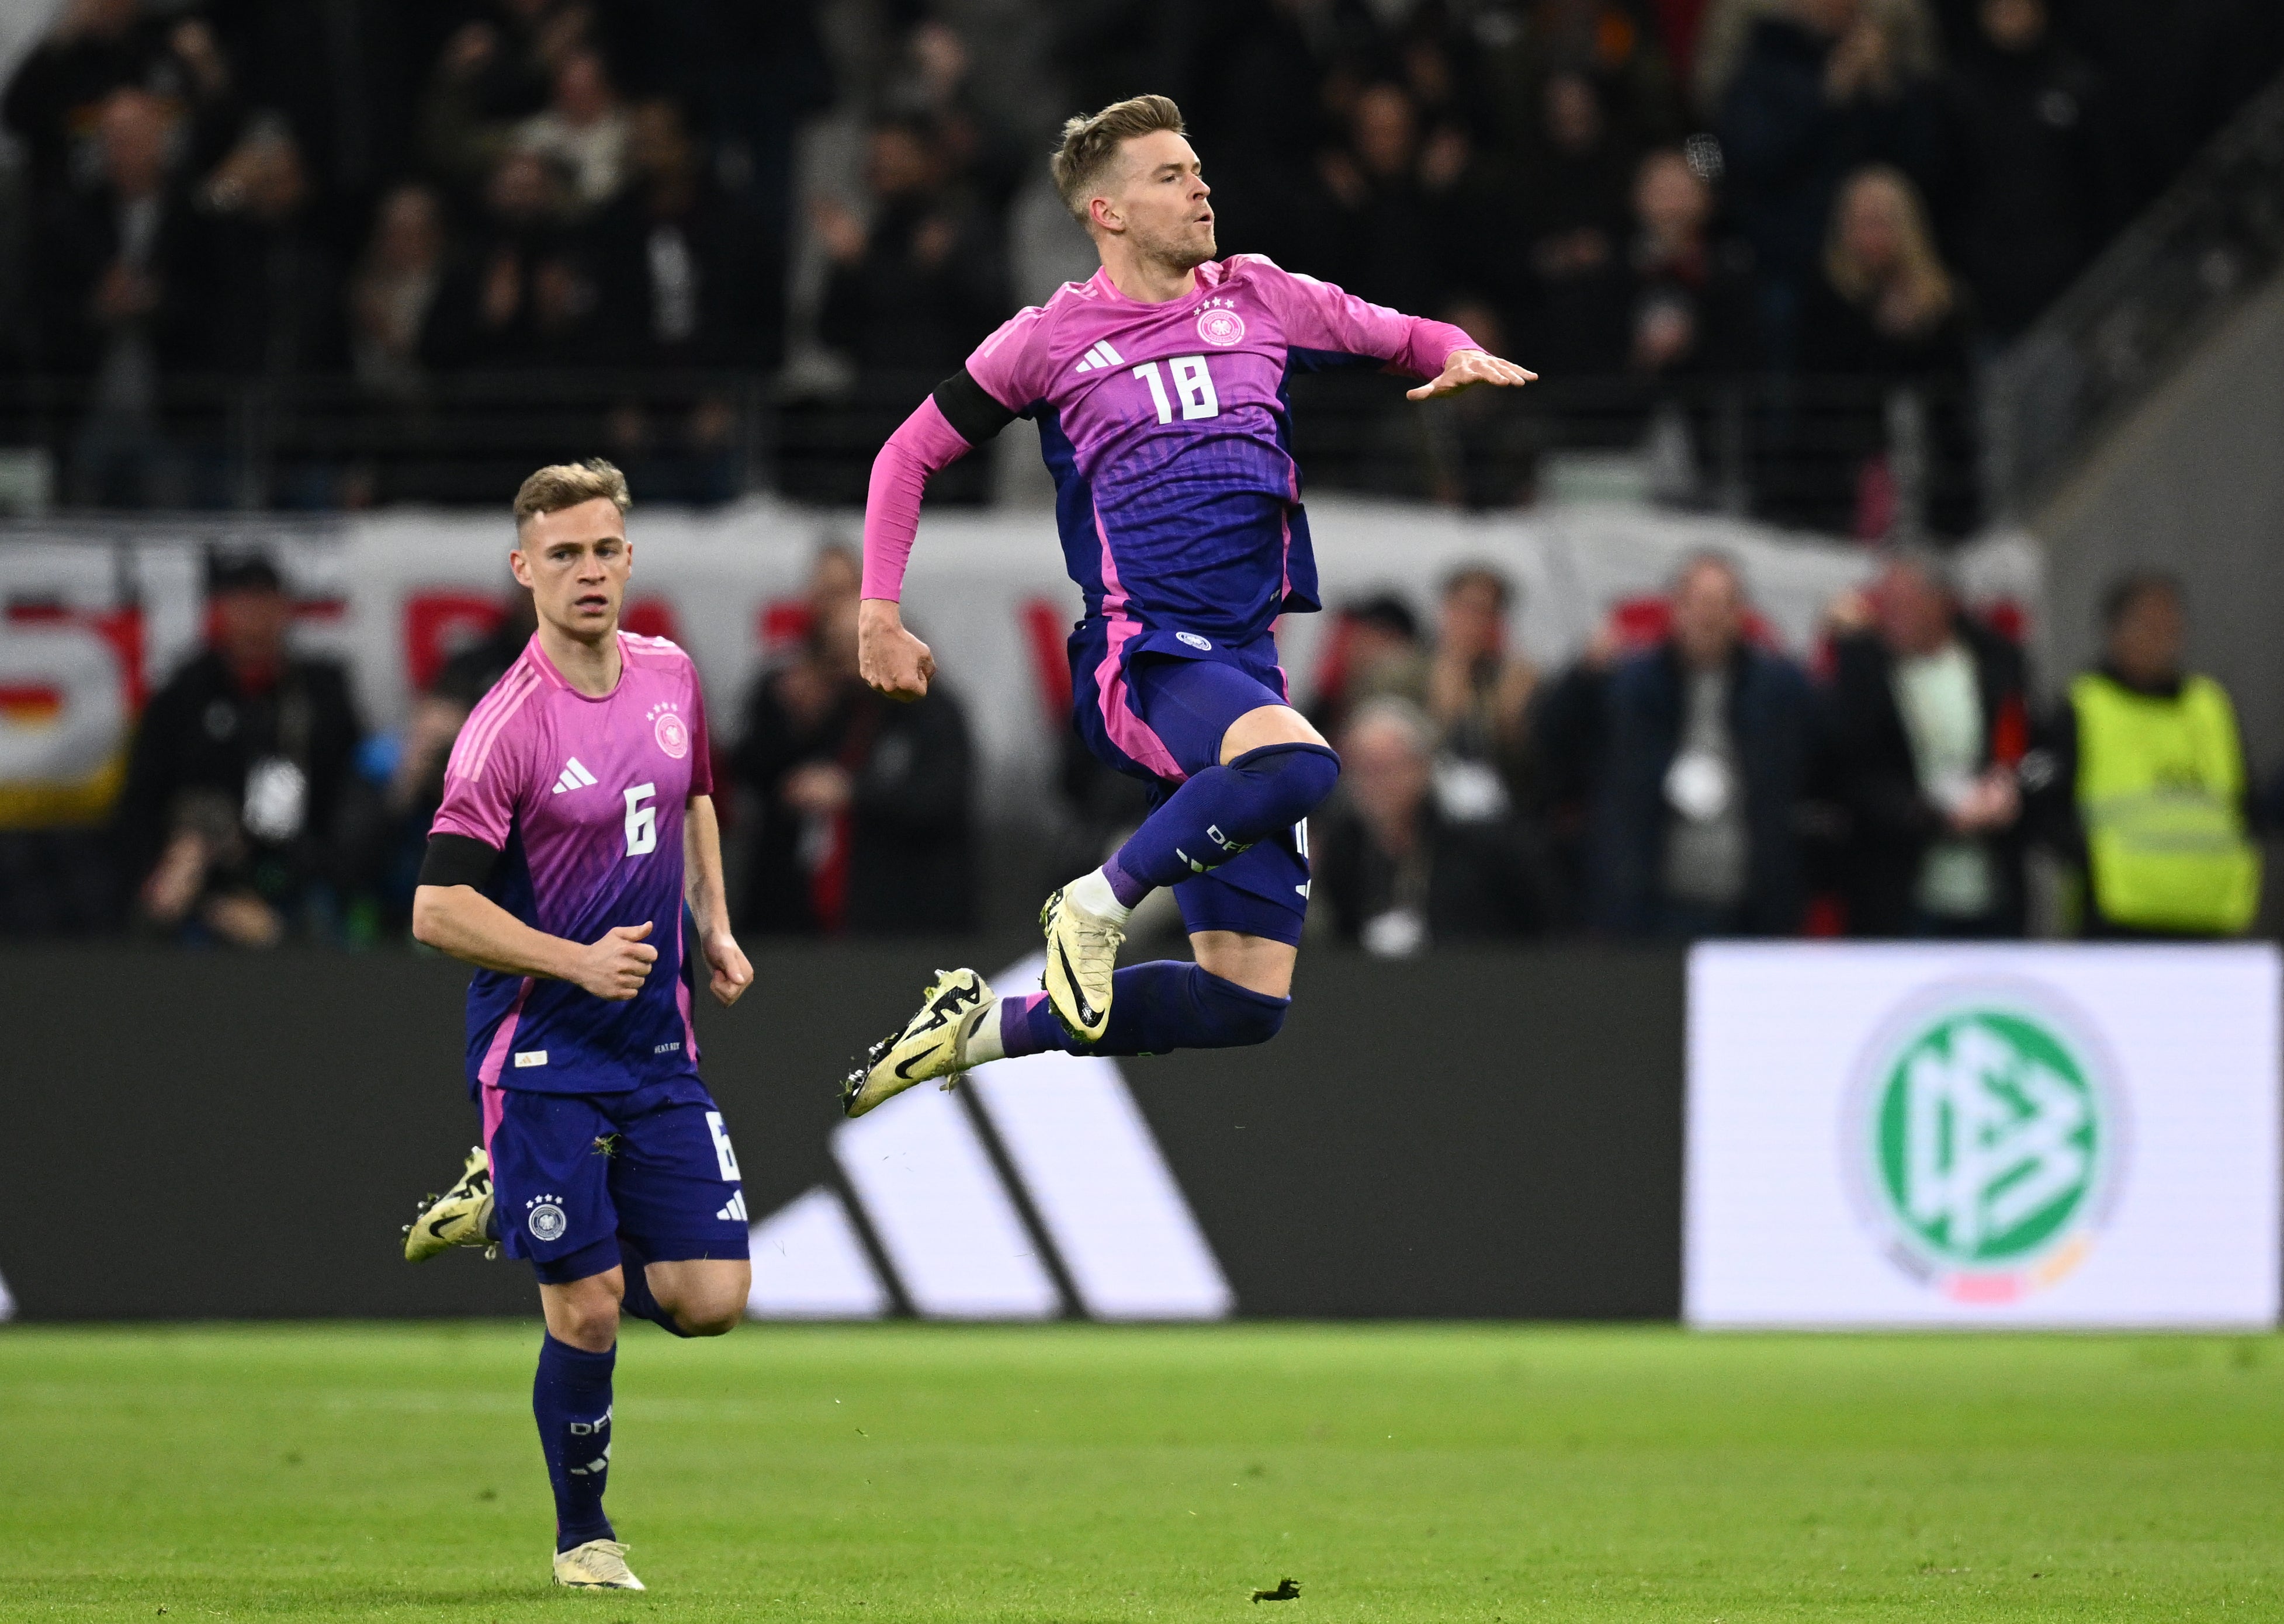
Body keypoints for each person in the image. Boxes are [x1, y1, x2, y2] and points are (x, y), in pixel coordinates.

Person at [839, 93, 1536, 1116]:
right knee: (1298, 763)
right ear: (1106, 213)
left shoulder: (1255, 293)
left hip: (1242, 662)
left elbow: (1392, 333)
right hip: (1144, 650)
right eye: (1170, 175)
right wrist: (875, 609)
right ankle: (1092, 901)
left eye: (1197, 169)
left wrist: (1453, 352)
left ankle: (981, 1028)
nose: (1199, 186)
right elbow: (908, 453)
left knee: (1241, 999)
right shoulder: (1046, 340)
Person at [401, 460, 754, 1592]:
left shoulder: (670, 673)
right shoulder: (504, 727)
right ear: (523, 570)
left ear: (629, 557)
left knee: (710, 1301)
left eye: (603, 550)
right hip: (539, 1047)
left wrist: (715, 921)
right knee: (591, 1308)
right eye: (563, 555)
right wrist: (574, 960)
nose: (588, 571)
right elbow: (436, 909)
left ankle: (514, 1199)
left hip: (654, 1042)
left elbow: (695, 793)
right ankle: (583, 1536)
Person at [116, 551, 364, 946]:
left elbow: (347, 794)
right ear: (221, 610)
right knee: (171, 897)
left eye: (265, 602)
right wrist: (199, 884)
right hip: (203, 871)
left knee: (325, 929)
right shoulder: (182, 697)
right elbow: (141, 802)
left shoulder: (318, 693)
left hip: (296, 870)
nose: (255, 617)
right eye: (243, 603)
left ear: (285, 610)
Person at [733, 546, 978, 936]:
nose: (846, 663)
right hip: (803, 919)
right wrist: (796, 724)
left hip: (906, 921)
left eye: (854, 646)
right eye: (837, 650)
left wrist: (852, 793)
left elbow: (940, 797)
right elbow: (757, 775)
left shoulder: (928, 708)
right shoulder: (805, 695)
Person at [1590, 551, 1812, 935]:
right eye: (1697, 603)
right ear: (1675, 609)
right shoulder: (1631, 685)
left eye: (1722, 603)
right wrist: (1582, 679)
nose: (1708, 616)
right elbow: (1560, 749)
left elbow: (1834, 755)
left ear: (1740, 613)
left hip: (1751, 905)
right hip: (1653, 905)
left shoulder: (1779, 688)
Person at [2028, 572, 2259, 936]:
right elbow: (2042, 804)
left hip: (2211, 911)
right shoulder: (2084, 705)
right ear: (2115, 631)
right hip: (2116, 916)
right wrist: (2090, 860)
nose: (2163, 639)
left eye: (2171, 626)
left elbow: (2245, 800)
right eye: (2149, 625)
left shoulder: (2210, 705)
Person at [1826, 546, 2030, 936]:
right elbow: (1850, 768)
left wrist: (2009, 790)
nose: (1888, 615)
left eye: (1902, 604)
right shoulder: (1862, 667)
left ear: (1940, 604)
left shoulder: (1997, 660)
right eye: (1884, 603)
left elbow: (2027, 747)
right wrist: (1925, 815)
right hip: (1900, 886)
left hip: (1992, 882)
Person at [1315, 698, 1553, 953]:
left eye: (1386, 768)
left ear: (1421, 767)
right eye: (1361, 769)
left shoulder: (1476, 841)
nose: (1373, 784)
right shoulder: (1345, 849)